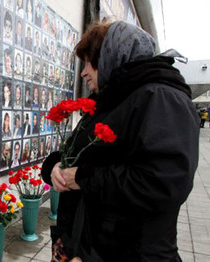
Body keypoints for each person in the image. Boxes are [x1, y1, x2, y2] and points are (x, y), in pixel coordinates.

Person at [41, 21, 198, 261]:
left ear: (110, 58)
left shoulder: (161, 98)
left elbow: (162, 184)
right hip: (86, 248)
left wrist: (82, 178)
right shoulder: (112, 100)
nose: (83, 72)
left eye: (89, 63)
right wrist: (53, 167)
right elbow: (79, 154)